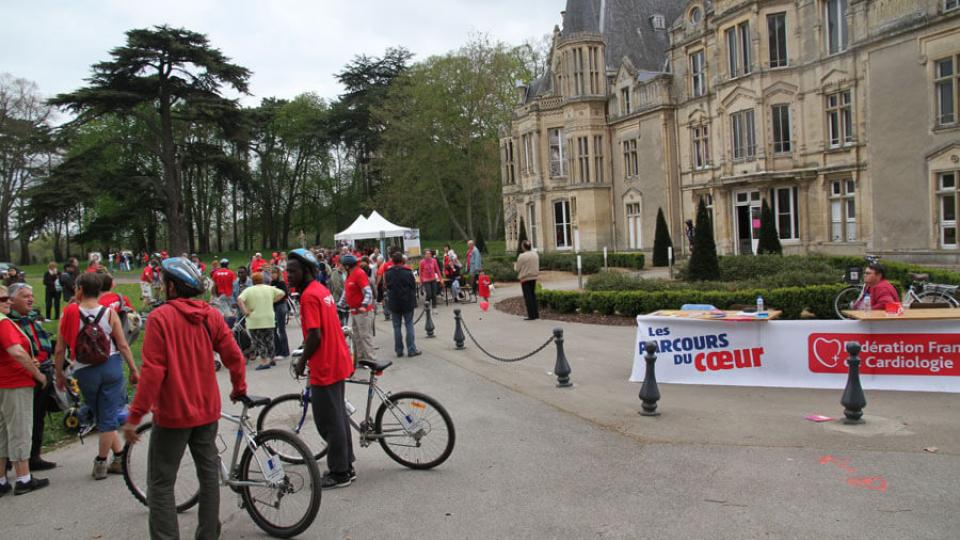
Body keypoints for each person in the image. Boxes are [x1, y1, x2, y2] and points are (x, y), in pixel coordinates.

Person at [121, 258, 247, 539]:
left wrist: (134, 416)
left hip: (173, 414)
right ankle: (208, 534)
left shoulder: (160, 318)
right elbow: (234, 357)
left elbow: (153, 372)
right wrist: (238, 388)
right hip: (207, 411)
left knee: (161, 483)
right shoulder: (211, 315)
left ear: (170, 287)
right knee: (208, 476)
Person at [53, 274, 139, 480]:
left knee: (102, 415)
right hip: (111, 366)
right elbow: (123, 344)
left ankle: (101, 462)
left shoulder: (69, 313)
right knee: (106, 415)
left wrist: (59, 374)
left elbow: (59, 348)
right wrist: (134, 369)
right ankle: (118, 457)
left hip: (85, 369)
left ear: (79, 289)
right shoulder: (109, 313)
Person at [287, 249, 356, 489]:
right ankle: (347, 464)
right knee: (339, 417)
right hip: (338, 359)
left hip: (325, 365)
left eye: (293, 270)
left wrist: (302, 360)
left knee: (328, 422)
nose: (288, 275)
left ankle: (339, 473)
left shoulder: (308, 297)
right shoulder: (321, 290)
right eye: (287, 270)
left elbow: (315, 335)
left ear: (306, 270)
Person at [0, 285, 50, 496]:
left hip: (3, 382)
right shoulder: (3, 323)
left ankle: (1, 479)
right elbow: (16, 352)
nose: (8, 301)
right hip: (14, 382)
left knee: (2, 432)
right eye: (3, 298)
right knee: (19, 429)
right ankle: (23, 477)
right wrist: (37, 374)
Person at [7, 283, 57, 471]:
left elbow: (43, 343)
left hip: (41, 372)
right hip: (22, 376)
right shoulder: (10, 323)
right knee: (19, 422)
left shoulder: (32, 320)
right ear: (11, 301)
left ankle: (34, 456)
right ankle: (16, 462)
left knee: (38, 417)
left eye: (31, 295)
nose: (30, 299)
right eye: (24, 296)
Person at [237, 272, 285, 371]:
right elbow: (282, 293)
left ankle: (264, 361)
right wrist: (273, 300)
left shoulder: (249, 290)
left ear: (253, 281)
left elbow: (239, 299)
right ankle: (271, 358)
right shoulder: (269, 288)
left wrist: (245, 310)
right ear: (262, 280)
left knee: (259, 341)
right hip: (268, 318)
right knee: (269, 340)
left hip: (255, 320)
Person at [338, 254, 375, 363]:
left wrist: (364, 305)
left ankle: (371, 360)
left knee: (365, 337)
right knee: (357, 337)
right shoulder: (350, 275)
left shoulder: (359, 273)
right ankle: (360, 359)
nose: (341, 267)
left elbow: (368, 292)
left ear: (347, 266)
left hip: (363, 312)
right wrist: (339, 305)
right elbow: (346, 292)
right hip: (354, 312)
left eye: (343, 265)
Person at [384, 251, 421, 358]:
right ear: (402, 260)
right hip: (407, 302)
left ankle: (399, 350)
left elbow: (386, 286)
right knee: (409, 325)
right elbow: (413, 286)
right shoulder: (408, 272)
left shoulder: (388, 272)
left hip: (394, 302)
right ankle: (411, 349)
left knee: (396, 327)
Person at [515, 240, 540, 320]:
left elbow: (517, 268)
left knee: (528, 297)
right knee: (533, 295)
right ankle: (536, 314)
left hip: (525, 278)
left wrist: (515, 265)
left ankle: (531, 315)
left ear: (523, 247)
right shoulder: (535, 254)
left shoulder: (522, 256)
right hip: (534, 277)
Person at [270, 267, 290, 360]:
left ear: (278, 274)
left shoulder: (281, 283)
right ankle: (278, 350)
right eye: (272, 273)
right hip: (274, 307)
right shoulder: (272, 283)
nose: (272, 275)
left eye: (274, 273)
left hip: (280, 306)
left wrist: (273, 300)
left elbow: (285, 294)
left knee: (281, 329)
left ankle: (285, 352)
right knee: (273, 329)